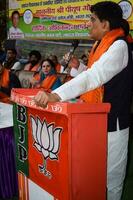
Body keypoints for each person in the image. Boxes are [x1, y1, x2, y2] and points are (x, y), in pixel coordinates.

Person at [34, 1, 133, 200]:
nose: (88, 24)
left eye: (92, 19)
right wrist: (78, 67)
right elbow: (94, 76)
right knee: (92, 174)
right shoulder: (100, 45)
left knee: (112, 180)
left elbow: (94, 77)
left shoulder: (119, 45)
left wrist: (55, 95)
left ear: (105, 24)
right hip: (94, 121)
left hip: (114, 125)